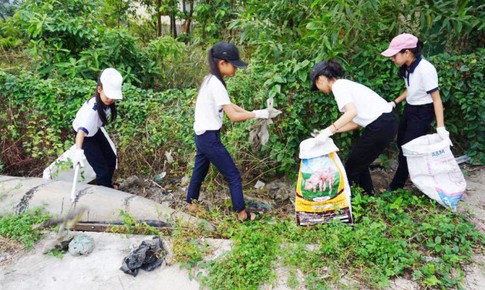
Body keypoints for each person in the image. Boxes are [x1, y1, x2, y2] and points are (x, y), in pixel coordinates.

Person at [186, 41, 271, 222]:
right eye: (234, 65)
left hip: (201, 135)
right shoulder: (216, 84)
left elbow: (229, 105)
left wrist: (255, 113)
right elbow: (232, 116)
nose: (236, 69)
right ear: (222, 63)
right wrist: (256, 114)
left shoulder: (209, 80)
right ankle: (242, 214)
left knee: (199, 171)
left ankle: (191, 203)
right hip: (209, 137)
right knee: (233, 175)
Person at [309, 60, 397, 195]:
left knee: (353, 165)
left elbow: (351, 112)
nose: (319, 89)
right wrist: (326, 133)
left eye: (317, 85)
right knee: (359, 162)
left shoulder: (339, 86)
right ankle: (368, 195)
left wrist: (328, 130)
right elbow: (354, 123)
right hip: (384, 123)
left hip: (381, 124)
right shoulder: (343, 85)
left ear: (321, 79)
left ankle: (349, 199)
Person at [381, 33, 450, 191]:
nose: (392, 59)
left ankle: (396, 186)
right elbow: (411, 89)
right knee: (401, 143)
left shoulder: (426, 69)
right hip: (410, 109)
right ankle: (413, 173)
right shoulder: (408, 67)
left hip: (423, 112)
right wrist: (395, 102)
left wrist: (441, 127)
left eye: (394, 55)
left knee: (408, 149)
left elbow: (436, 99)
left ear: (407, 52)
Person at [71, 68, 123, 189]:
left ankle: (106, 185)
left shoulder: (106, 104)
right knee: (102, 170)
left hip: (95, 131)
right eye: (108, 96)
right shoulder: (91, 111)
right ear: (99, 89)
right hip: (86, 137)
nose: (111, 100)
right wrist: (78, 151)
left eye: (113, 97)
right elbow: (81, 132)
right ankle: (105, 193)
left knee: (111, 159)